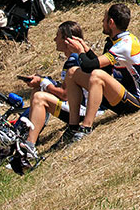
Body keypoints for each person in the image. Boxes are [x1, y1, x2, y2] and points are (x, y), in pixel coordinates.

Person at [61, 3, 140, 143]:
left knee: (97, 75)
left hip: (138, 101)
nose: (102, 23)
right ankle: (73, 127)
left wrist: (80, 51)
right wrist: (86, 49)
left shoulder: (125, 44)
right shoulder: (114, 42)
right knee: (72, 72)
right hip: (122, 95)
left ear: (111, 22)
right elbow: (103, 69)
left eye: (104, 20)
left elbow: (90, 66)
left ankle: (86, 127)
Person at [19, 20, 88, 150]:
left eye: (57, 36)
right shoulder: (77, 57)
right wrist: (43, 81)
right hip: (80, 106)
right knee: (37, 89)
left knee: (39, 97)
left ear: (66, 40)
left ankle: (29, 145)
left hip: (82, 110)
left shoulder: (73, 60)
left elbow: (65, 95)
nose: (54, 39)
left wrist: (44, 83)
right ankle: (32, 134)